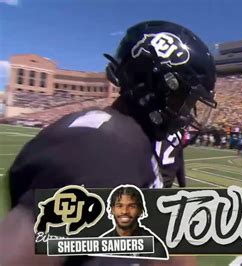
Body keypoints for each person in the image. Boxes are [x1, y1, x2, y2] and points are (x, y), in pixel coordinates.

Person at [0, 20, 217, 266]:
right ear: (156, 87)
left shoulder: (133, 142)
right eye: (184, 100)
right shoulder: (100, 146)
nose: (188, 114)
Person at [101, 185, 168, 258]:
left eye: (131, 206)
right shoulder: (101, 246)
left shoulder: (154, 247)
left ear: (140, 210)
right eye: (119, 206)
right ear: (112, 210)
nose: (124, 211)